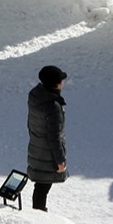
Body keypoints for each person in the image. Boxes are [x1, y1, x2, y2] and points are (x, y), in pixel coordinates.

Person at [27, 65, 68, 211]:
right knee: (43, 186)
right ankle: (39, 219)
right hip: (47, 153)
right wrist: (60, 160)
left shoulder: (36, 96)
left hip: (36, 147)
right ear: (56, 83)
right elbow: (54, 137)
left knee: (40, 185)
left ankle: (38, 213)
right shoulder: (53, 106)